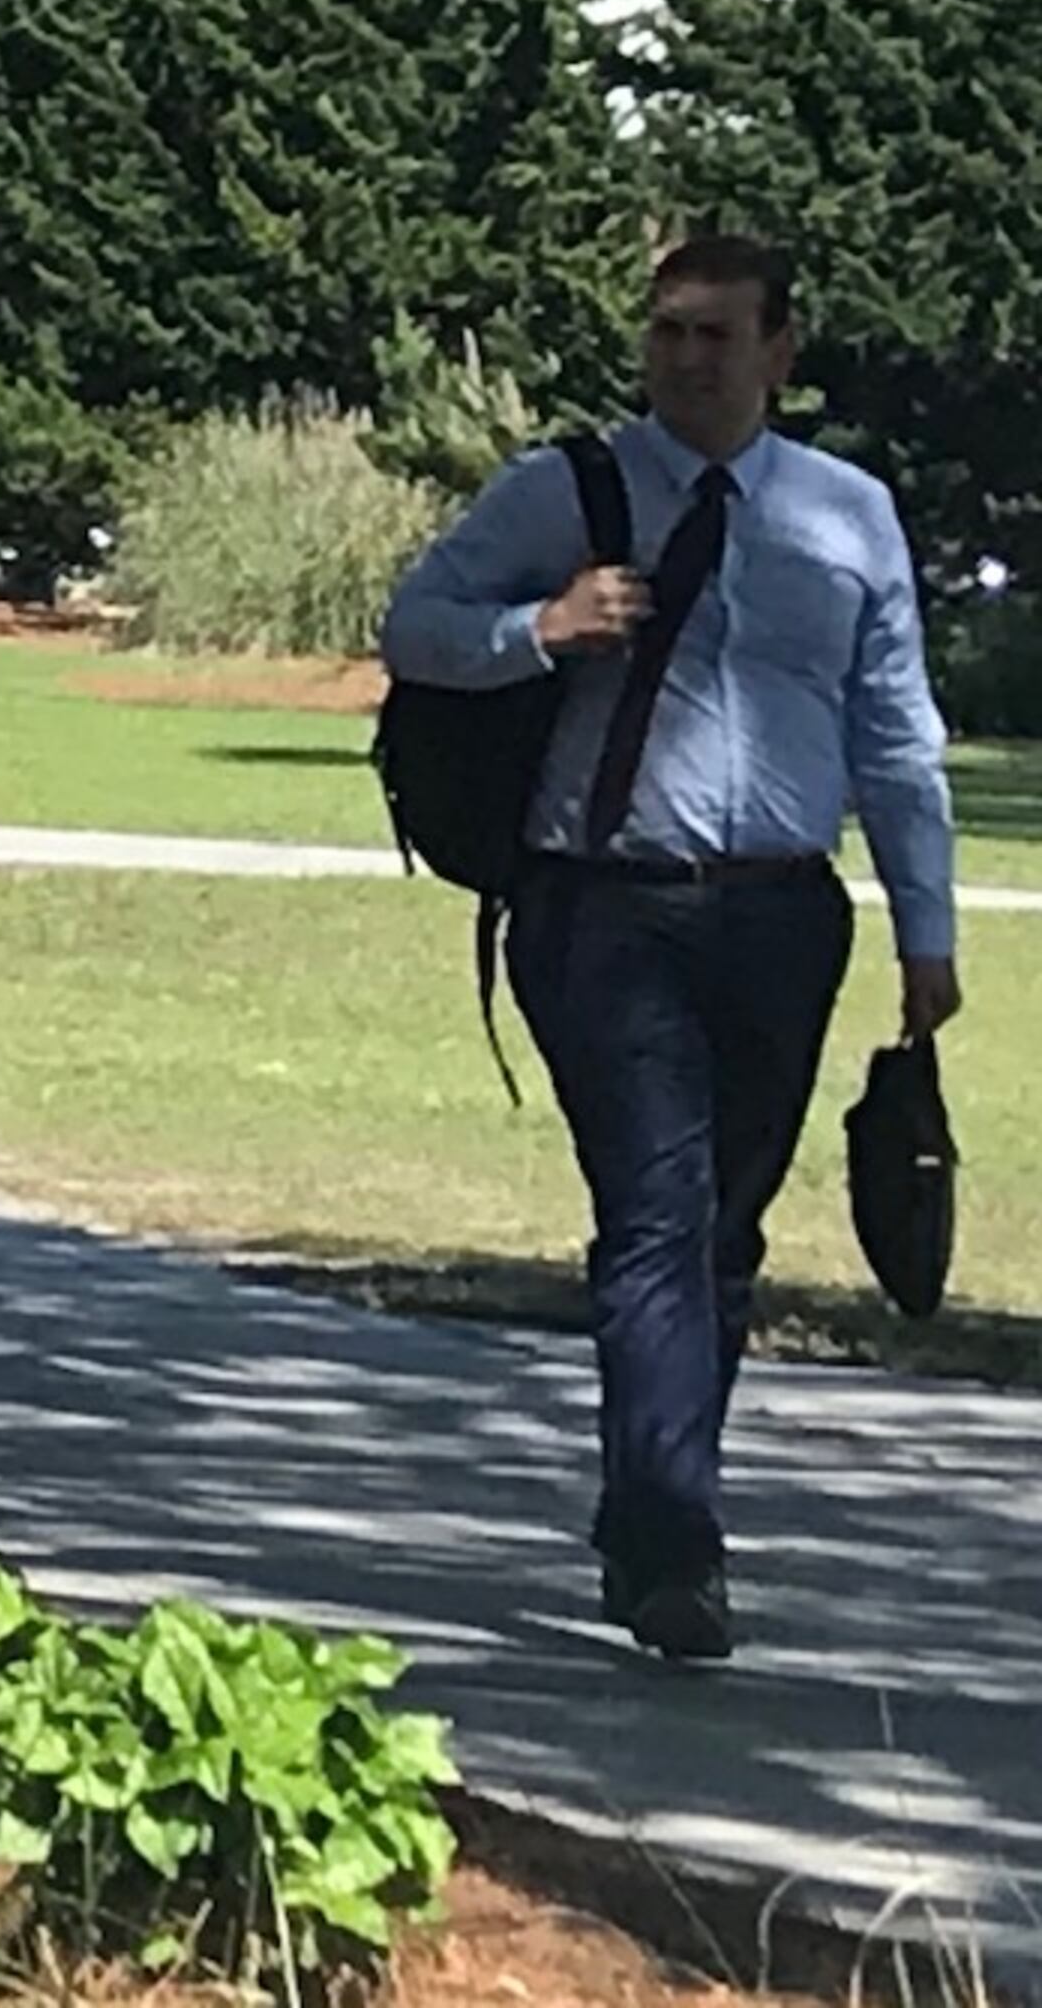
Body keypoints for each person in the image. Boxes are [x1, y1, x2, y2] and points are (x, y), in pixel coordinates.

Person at [380, 234, 960, 1665]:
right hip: (605, 905)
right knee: (655, 1211)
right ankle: (671, 1547)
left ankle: (655, 1509)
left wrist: (925, 929)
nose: (688, 357)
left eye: (718, 335)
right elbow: (417, 627)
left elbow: (895, 733)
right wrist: (544, 625)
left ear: (781, 351)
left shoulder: (850, 516)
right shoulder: (568, 491)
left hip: (781, 913)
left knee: (723, 1232)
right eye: (667, 332)